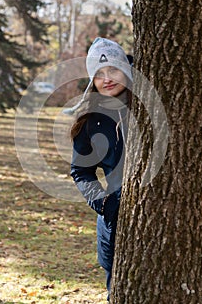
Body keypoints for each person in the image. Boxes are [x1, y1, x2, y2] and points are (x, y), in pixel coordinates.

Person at [68, 37, 133, 301]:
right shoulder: (90, 120)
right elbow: (81, 171)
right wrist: (105, 203)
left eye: (114, 70)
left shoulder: (148, 106)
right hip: (114, 216)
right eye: (99, 74)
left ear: (127, 70)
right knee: (117, 290)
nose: (107, 79)